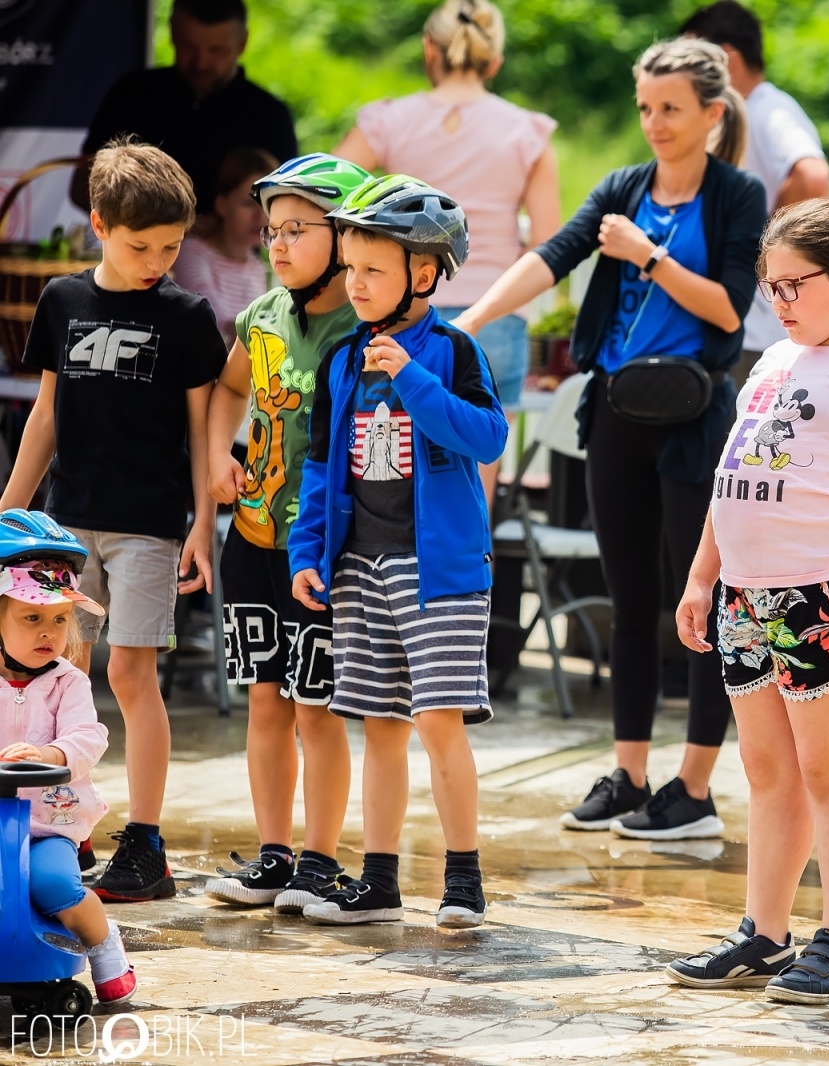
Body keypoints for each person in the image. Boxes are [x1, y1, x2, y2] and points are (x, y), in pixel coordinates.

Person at [455, 39, 765, 842]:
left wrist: (648, 256)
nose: (654, 123)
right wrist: (473, 319)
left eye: (671, 109)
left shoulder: (736, 195)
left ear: (712, 113)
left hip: (695, 417)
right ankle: (628, 777)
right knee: (630, 603)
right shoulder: (623, 188)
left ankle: (693, 790)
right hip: (618, 412)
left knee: (701, 604)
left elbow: (730, 308)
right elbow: (551, 257)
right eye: (646, 108)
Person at [666, 198, 829, 1004]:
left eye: (794, 285)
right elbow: (732, 479)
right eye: (771, 287)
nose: (779, 302)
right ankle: (764, 934)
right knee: (766, 768)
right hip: (745, 595)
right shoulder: (774, 362)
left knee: (827, 768)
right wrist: (703, 576)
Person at [1, 139, 226, 903]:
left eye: (171, 246)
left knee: (131, 674)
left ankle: (147, 841)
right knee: (62, 671)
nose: (156, 261)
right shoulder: (62, 300)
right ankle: (68, 823)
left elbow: (202, 428)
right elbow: (45, 415)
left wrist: (202, 522)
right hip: (65, 528)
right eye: (140, 246)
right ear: (98, 224)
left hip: (148, 525)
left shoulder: (187, 315)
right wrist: (10, 513)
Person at [288, 175, 508, 928]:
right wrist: (308, 551)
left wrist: (410, 377)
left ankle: (463, 879)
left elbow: (487, 437)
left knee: (439, 721)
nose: (355, 284)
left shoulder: (453, 351)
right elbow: (321, 466)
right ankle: (379, 883)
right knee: (380, 727)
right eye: (350, 267)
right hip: (359, 565)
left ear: (424, 273)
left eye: (372, 270)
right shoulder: (341, 359)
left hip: (439, 572)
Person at [201, 154, 372, 914]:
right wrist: (218, 455)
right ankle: (273, 856)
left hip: (323, 550)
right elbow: (229, 387)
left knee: (316, 707)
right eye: (272, 229)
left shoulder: (363, 327)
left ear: (344, 236)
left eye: (298, 228)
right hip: (252, 536)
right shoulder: (263, 315)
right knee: (265, 700)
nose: (278, 243)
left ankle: (320, 861)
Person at [335, 0, 561, 416]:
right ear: (494, 61)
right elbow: (547, 245)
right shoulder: (526, 133)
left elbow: (328, 189)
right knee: (480, 450)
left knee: (390, 449)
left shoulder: (389, 121)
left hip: (401, 311)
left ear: (428, 49)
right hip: (495, 318)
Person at [0, 512, 136, 1005]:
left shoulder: (68, 682)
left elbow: (88, 736)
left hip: (49, 823)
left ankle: (103, 945)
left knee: (54, 883)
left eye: (59, 619)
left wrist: (50, 753)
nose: (49, 633)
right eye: (32, 618)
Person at [680, 0, 829, 357]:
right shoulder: (738, 114)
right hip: (735, 326)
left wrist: (762, 251)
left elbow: (813, 178)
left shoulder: (769, 110)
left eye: (691, 62)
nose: (682, 75)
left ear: (728, 60)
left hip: (756, 335)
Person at [74, 0, 298, 217]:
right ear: (172, 33)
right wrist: (154, 226)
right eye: (188, 47)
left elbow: (286, 205)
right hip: (138, 238)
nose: (201, 62)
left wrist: (215, 231)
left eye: (216, 50)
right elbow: (84, 185)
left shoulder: (269, 115)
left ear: (242, 43)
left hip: (230, 245)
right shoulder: (132, 93)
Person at [171, 145, 277, 347]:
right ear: (222, 205)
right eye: (248, 203)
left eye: (267, 205)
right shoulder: (191, 252)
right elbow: (209, 321)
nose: (261, 216)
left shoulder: (256, 266)